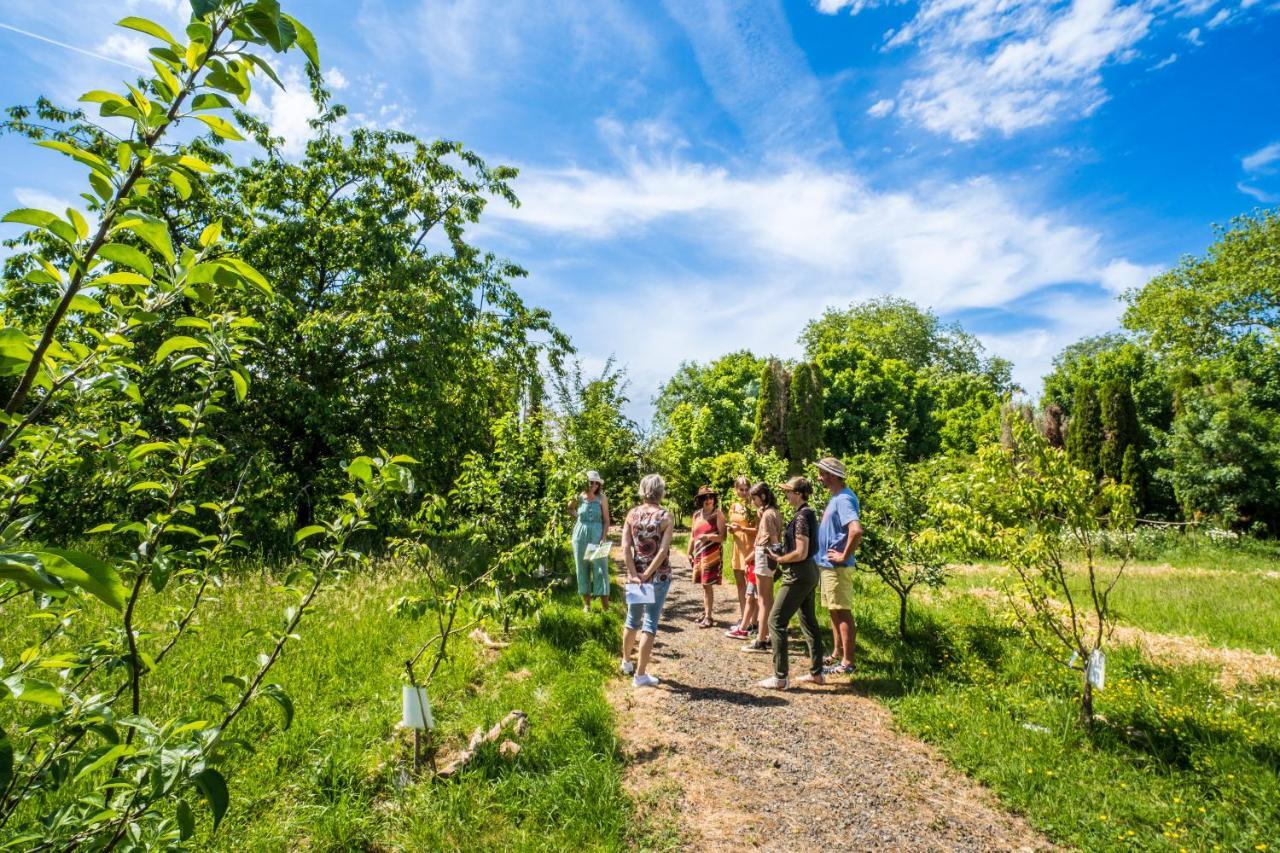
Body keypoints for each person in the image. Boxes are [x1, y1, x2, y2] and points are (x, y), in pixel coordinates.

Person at [758, 476, 824, 690]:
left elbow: (801, 551)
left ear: (798, 493)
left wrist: (779, 559)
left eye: (788, 491)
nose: (785, 495)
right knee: (808, 620)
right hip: (810, 572)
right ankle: (817, 672)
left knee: (775, 621)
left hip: (798, 573)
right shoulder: (807, 514)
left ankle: (780, 677)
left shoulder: (802, 517)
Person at [621, 474, 676, 688]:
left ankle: (626, 662)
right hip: (657, 576)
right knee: (650, 623)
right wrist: (648, 574)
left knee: (632, 619)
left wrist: (634, 573)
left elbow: (626, 547)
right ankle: (640, 674)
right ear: (660, 491)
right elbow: (662, 551)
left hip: (636, 575)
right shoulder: (665, 517)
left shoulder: (632, 514)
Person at [814, 456, 863, 675]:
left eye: (822, 474)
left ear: (832, 476)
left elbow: (856, 530)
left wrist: (843, 555)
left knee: (842, 611)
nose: (819, 478)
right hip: (828, 564)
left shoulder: (844, 499)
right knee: (834, 610)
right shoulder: (836, 497)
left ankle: (848, 663)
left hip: (837, 566)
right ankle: (837, 654)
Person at [741, 482, 782, 653]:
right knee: (767, 598)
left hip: (765, 554)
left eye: (755, 498)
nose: (753, 502)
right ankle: (768, 635)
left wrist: (776, 555)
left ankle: (761, 639)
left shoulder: (767, 515)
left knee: (763, 599)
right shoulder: (773, 512)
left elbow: (773, 537)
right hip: (766, 555)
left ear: (763, 497)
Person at [568, 470, 611, 613]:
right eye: (591, 482)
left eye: (596, 482)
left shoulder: (602, 498)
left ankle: (606, 607)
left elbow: (606, 520)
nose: (593, 485)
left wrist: (603, 537)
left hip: (597, 535)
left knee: (601, 569)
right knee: (582, 567)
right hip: (580, 535)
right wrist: (578, 517)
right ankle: (586, 604)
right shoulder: (579, 496)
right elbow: (569, 507)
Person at [725, 476, 758, 639]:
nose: (744, 492)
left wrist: (743, 530)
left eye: (747, 489)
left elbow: (759, 530)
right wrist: (732, 530)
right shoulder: (734, 506)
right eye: (741, 489)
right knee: (740, 586)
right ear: (736, 489)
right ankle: (743, 617)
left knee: (752, 587)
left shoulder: (754, 506)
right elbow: (733, 526)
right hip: (737, 549)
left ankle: (754, 621)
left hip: (750, 549)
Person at [688, 485, 726, 628]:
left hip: (712, 554)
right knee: (703, 585)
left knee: (707, 585)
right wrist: (688, 552)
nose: (708, 500)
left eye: (711, 497)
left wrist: (708, 537)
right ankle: (706, 612)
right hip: (699, 554)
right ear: (700, 500)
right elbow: (693, 536)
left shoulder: (718, 514)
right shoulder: (697, 515)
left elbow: (723, 537)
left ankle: (709, 617)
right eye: (705, 497)